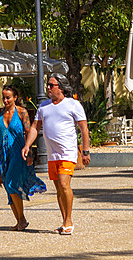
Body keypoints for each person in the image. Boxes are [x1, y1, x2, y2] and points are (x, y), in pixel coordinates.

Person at [22, 75, 90, 235]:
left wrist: (85, 151)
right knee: (59, 188)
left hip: (68, 152)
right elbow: (34, 127)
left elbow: (84, 129)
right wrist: (27, 145)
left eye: (51, 85)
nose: (48, 88)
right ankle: (64, 220)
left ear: (62, 87)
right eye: (48, 85)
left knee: (64, 184)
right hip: (53, 155)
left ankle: (69, 221)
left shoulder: (73, 105)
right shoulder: (43, 106)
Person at [0, 85, 46, 231]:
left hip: (18, 152)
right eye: (3, 97)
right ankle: (19, 221)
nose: (5, 100)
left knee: (10, 183)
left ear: (15, 97)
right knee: (8, 187)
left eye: (8, 97)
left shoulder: (22, 112)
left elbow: (29, 132)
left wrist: (30, 153)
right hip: (2, 153)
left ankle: (22, 219)